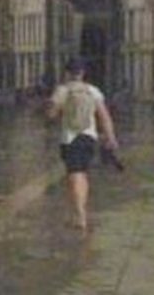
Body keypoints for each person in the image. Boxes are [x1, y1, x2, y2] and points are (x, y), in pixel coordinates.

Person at [47, 58, 119, 231]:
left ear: (67, 73)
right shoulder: (93, 91)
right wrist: (110, 137)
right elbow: (104, 116)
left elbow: (51, 114)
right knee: (82, 174)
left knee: (75, 175)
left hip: (70, 138)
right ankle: (81, 210)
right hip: (89, 137)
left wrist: (52, 110)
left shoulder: (63, 90)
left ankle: (80, 215)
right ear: (82, 73)